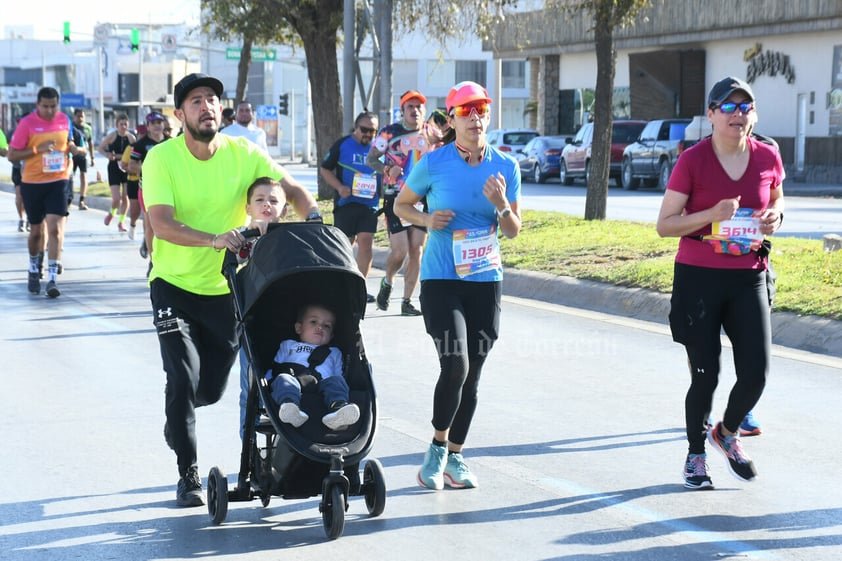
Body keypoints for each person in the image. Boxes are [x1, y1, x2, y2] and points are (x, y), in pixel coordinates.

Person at [141, 73, 320, 507]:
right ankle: (188, 475)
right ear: (180, 113)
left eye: (213, 99)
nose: (208, 106)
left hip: (225, 292)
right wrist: (214, 239)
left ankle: (176, 416)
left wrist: (313, 219)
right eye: (197, 100)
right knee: (182, 378)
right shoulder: (161, 159)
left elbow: (290, 188)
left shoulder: (243, 152)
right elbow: (161, 222)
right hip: (174, 285)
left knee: (211, 389)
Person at [655, 76, 784, 490]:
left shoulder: (767, 157)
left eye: (745, 107)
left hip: (749, 276)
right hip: (699, 279)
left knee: (757, 373)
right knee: (706, 375)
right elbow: (665, 225)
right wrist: (713, 213)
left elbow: (778, 198)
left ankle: (725, 433)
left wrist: (775, 218)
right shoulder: (693, 160)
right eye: (728, 107)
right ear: (710, 115)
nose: (737, 115)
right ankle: (695, 455)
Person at [394, 81, 522, 490]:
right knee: (456, 363)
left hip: (485, 280)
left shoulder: (506, 166)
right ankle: (436, 449)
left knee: (474, 374)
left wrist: (502, 204)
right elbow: (401, 205)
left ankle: (457, 458)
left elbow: (514, 230)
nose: (475, 118)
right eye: (466, 111)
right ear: (451, 119)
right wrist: (428, 221)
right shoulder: (434, 163)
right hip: (441, 278)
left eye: (481, 110)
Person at [366, 90, 440, 316]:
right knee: (399, 251)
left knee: (417, 250)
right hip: (396, 197)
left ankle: (407, 301)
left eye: (419, 107)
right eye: (410, 107)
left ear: (424, 111)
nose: (415, 111)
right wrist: (387, 169)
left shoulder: (432, 133)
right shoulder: (388, 132)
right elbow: (371, 159)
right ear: (403, 110)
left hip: (422, 198)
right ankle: (387, 281)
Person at [7, 87, 83, 298]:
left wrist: (72, 148)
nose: (50, 111)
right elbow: (12, 156)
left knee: (56, 230)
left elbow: (69, 142)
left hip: (58, 181)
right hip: (32, 183)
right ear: (37, 105)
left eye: (53, 106)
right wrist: (36, 150)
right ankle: (33, 268)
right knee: (37, 232)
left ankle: (51, 278)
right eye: (45, 106)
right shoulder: (27, 124)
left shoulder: (64, 120)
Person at [237, 177, 288, 437]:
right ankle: (249, 457)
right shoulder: (242, 239)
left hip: (289, 319)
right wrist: (250, 236)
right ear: (248, 208)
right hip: (255, 324)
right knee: (251, 389)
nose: (266, 204)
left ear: (285, 210)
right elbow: (237, 259)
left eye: (273, 200)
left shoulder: (293, 240)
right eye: (260, 200)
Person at [267, 303, 361, 431]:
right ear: (299, 328)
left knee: (336, 381)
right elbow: (275, 367)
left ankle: (338, 409)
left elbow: (338, 374)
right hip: (294, 380)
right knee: (283, 379)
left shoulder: (334, 352)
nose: (320, 327)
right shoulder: (288, 345)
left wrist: (340, 385)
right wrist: (266, 385)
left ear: (332, 335)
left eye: (326, 326)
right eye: (313, 322)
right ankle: (290, 407)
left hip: (322, 385)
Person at [319, 111, 380, 301]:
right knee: (345, 245)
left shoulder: (379, 148)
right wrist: (339, 187)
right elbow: (325, 168)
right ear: (355, 128)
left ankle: (360, 287)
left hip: (369, 204)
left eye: (373, 130)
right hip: (346, 203)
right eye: (364, 129)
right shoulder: (343, 144)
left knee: (366, 243)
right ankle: (342, 284)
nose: (368, 134)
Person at [124, 112, 168, 244]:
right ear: (148, 126)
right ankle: (151, 259)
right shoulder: (141, 144)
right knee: (149, 222)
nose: (157, 126)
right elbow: (131, 165)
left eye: (159, 122)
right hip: (147, 187)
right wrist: (149, 169)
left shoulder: (170, 142)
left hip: (168, 186)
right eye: (153, 123)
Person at [98, 113, 136, 231]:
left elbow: (135, 153)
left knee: (126, 197)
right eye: (121, 124)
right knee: (116, 199)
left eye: (125, 124)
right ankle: (112, 213)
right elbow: (100, 148)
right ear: (116, 125)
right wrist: (107, 155)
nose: (123, 127)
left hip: (126, 167)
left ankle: (121, 222)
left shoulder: (131, 138)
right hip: (114, 167)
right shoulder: (112, 136)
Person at [71, 109, 95, 210]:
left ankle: (82, 200)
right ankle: (68, 197)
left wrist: (92, 157)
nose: (80, 118)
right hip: (71, 156)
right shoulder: (70, 127)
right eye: (78, 116)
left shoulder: (87, 128)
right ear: (74, 117)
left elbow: (90, 143)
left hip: (82, 156)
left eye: (82, 116)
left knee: (83, 176)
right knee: (69, 177)